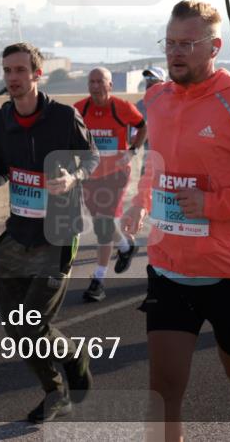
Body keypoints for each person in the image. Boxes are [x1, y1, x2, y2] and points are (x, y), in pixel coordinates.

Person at [122, 0, 230, 442]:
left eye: (187, 43)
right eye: (170, 43)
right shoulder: (157, 99)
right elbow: (156, 162)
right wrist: (140, 201)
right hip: (169, 267)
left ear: (214, 47)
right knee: (163, 390)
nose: (175, 52)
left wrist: (211, 204)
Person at [0, 42, 99, 423]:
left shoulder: (63, 117)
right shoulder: (3, 118)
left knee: (32, 323)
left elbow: (92, 157)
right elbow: (3, 169)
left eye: (21, 70)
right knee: (17, 328)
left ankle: (61, 381)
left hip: (56, 236)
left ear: (37, 74)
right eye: (7, 71)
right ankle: (62, 374)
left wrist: (74, 176)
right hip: (15, 236)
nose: (13, 78)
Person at [74, 68, 147, 301]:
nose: (95, 86)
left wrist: (133, 150)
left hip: (116, 174)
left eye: (100, 82)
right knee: (100, 222)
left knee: (103, 225)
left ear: (110, 85)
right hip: (91, 174)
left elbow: (143, 126)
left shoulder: (121, 107)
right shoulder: (79, 109)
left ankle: (99, 279)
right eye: (91, 81)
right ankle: (125, 246)